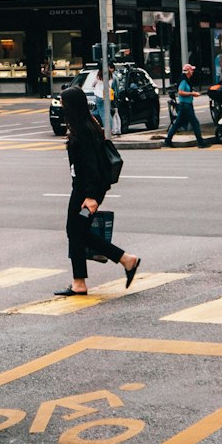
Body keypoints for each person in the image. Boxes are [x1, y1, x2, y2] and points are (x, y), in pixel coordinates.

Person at [55, 85, 140, 297]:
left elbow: (92, 165)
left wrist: (91, 196)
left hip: (86, 193)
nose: (62, 107)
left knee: (75, 230)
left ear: (72, 106)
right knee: (78, 231)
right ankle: (123, 261)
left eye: (64, 103)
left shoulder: (83, 130)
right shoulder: (85, 124)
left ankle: (81, 282)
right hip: (84, 189)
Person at [164, 63, 210, 147]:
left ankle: (168, 140)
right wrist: (192, 93)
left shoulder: (186, 80)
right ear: (187, 71)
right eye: (191, 70)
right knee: (195, 123)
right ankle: (200, 142)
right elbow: (180, 92)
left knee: (178, 123)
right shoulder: (183, 80)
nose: (192, 71)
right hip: (185, 105)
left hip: (186, 105)